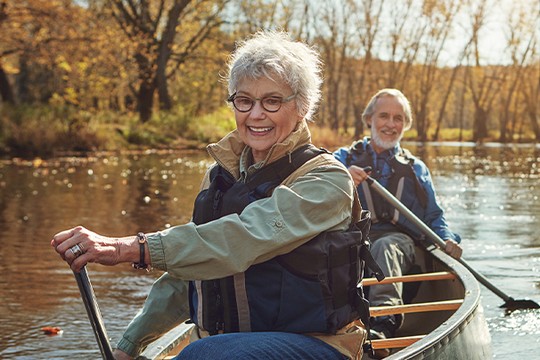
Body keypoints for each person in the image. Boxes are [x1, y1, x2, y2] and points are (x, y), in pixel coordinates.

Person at [52, 31, 373, 360]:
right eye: (244, 100)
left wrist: (127, 248)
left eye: (272, 101)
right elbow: (188, 273)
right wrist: (129, 346)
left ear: (302, 107)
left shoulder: (327, 179)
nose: (256, 114)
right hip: (227, 345)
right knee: (205, 350)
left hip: (317, 344)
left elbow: (244, 237)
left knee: (205, 354)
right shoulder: (219, 178)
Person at [333, 88, 463, 358]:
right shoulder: (341, 160)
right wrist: (341, 178)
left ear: (406, 125)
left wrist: (447, 239)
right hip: (353, 239)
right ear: (368, 119)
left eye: (398, 118)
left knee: (385, 246)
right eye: (384, 116)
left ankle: (383, 325)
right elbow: (313, 190)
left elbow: (434, 216)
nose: (391, 124)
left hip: (398, 241)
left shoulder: (416, 168)